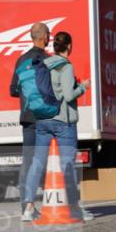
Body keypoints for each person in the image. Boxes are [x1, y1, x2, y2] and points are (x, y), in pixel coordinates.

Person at [22, 31, 91, 221]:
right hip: (62, 121)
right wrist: (83, 86)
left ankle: (28, 207)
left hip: (42, 120)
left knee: (37, 162)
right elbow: (68, 96)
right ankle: (75, 208)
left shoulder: (44, 64)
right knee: (67, 163)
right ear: (69, 46)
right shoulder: (66, 66)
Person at [10, 22, 51, 218]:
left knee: (28, 161)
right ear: (45, 37)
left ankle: (26, 207)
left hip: (27, 117)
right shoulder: (48, 60)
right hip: (45, 117)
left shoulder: (21, 60)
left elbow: (13, 90)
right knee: (49, 160)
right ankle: (56, 202)